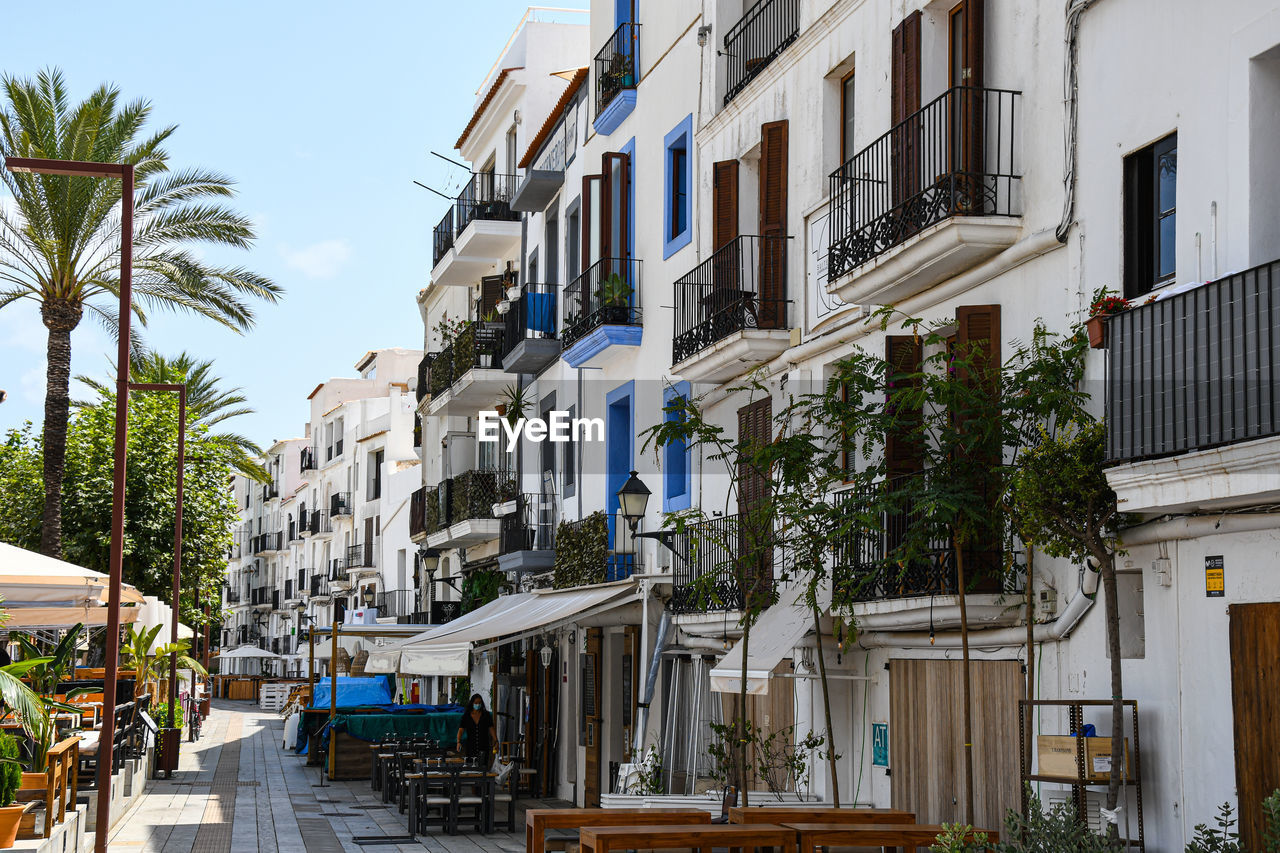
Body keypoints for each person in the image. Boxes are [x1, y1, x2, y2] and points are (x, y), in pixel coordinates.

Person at [456, 693, 497, 763]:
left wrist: (496, 740)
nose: (478, 704)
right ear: (472, 703)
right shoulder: (466, 716)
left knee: (483, 766)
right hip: (470, 746)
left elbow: (491, 729)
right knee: (471, 767)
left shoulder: (486, 715)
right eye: (476, 703)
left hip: (483, 745)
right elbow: (460, 730)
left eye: (479, 703)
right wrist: (458, 742)